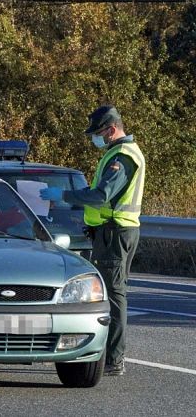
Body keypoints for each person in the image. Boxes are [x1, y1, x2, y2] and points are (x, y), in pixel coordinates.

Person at [40, 105, 145, 377]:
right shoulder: (117, 153)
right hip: (112, 232)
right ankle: (110, 357)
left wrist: (65, 196)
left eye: (99, 133)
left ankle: (113, 358)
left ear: (112, 129)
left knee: (113, 294)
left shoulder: (122, 156)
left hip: (115, 233)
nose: (95, 139)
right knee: (112, 292)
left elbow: (102, 196)